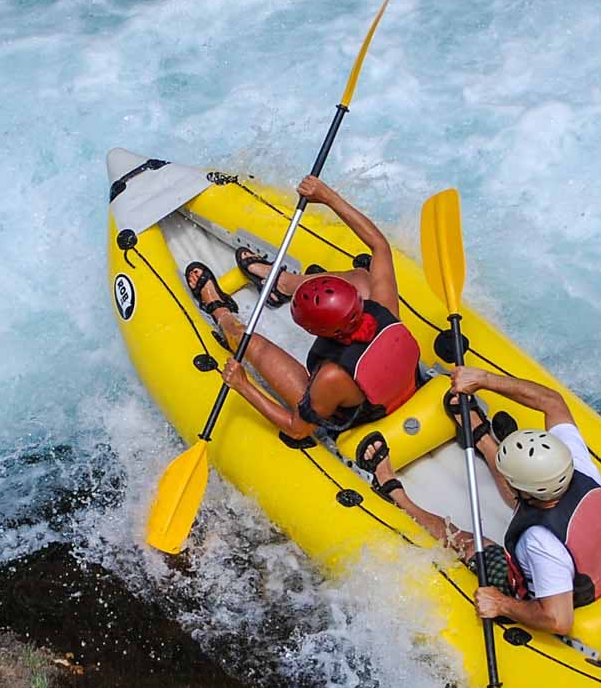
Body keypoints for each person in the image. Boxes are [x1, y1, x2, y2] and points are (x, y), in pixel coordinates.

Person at [187, 175, 484, 549]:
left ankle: (220, 312)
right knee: (363, 276)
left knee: (254, 347)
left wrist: (243, 385)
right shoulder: (383, 306)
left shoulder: (330, 377)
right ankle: (280, 283)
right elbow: (378, 245)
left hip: (362, 411)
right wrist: (328, 197)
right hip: (407, 381)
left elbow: (299, 428)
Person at [444, 366, 601, 636]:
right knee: (524, 490)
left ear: (527, 493)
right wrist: (484, 380)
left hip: (569, 596)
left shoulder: (539, 542)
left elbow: (558, 620)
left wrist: (501, 604)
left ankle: (394, 492)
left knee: (469, 543)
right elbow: (552, 401)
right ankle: (482, 438)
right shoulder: (579, 467)